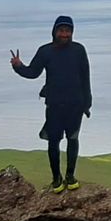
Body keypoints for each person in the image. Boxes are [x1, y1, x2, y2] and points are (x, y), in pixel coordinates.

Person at [10, 15, 91, 192]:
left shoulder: (79, 50)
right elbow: (33, 72)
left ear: (72, 32)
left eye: (68, 31)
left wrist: (87, 104)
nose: (65, 34)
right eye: (61, 30)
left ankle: (70, 176)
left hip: (75, 104)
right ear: (54, 31)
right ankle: (56, 178)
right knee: (53, 142)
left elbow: (85, 77)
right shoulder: (45, 51)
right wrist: (18, 66)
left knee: (73, 139)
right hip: (54, 105)